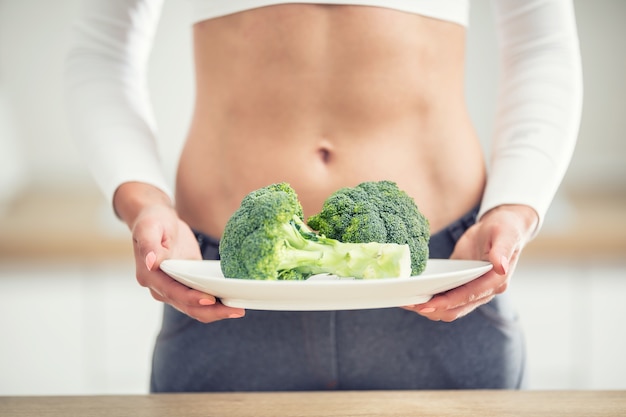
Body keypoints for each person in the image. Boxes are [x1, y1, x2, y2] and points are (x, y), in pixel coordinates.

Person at [65, 0, 582, 391]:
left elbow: (543, 44)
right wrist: (144, 202)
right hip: (221, 281)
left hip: (442, 272)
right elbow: (101, 50)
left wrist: (514, 207)